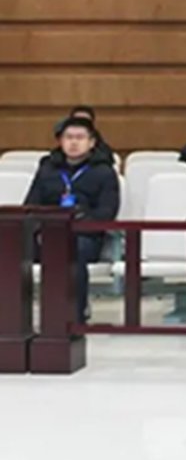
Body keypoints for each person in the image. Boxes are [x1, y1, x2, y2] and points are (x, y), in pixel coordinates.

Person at [24, 116, 120, 323]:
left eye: (80, 137)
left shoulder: (104, 172)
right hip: (47, 233)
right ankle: (16, 319)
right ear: (60, 141)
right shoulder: (47, 169)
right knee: (13, 250)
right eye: (68, 137)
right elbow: (31, 206)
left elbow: (106, 212)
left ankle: (74, 317)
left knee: (72, 250)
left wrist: (76, 227)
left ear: (91, 142)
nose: (74, 142)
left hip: (85, 236)